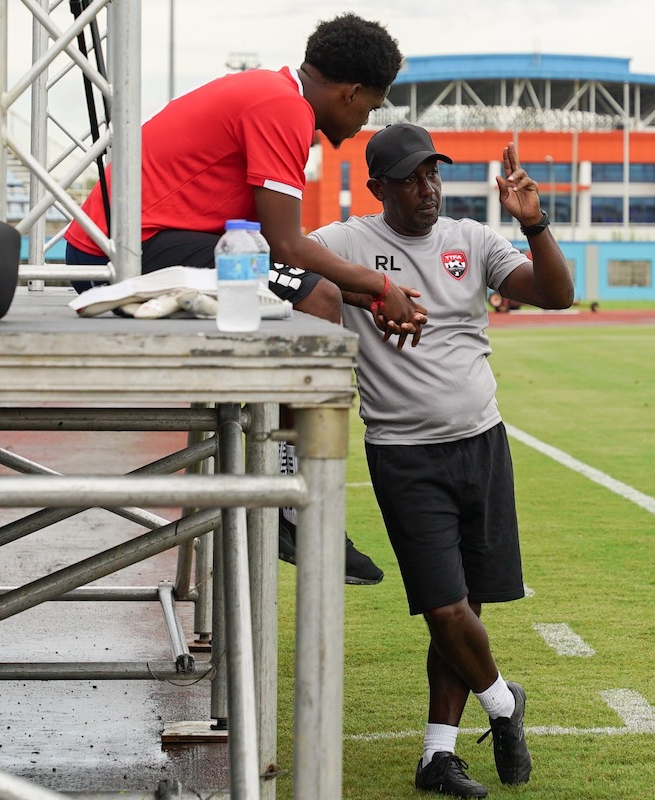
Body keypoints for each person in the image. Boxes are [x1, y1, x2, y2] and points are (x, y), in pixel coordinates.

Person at [62, 12, 419, 585]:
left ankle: (276, 488)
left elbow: (268, 246)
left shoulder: (272, 93)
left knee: (320, 295)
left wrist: (365, 291)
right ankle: (289, 504)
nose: (365, 121)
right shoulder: (283, 108)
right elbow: (288, 245)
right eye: (370, 108)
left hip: (131, 242)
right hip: (119, 254)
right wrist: (378, 285)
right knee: (320, 303)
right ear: (351, 92)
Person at [310, 123, 574, 797]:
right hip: (403, 453)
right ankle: (505, 704)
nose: (427, 188)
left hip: (482, 444)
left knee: (466, 609)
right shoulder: (347, 242)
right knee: (446, 610)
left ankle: (437, 756)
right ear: (378, 188)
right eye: (410, 177)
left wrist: (535, 223)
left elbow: (557, 294)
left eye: (433, 174)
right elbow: (285, 267)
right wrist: (364, 291)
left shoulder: (472, 239)